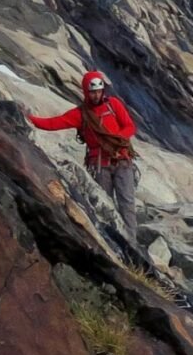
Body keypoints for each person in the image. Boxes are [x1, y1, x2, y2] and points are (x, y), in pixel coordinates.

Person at [29, 69, 139, 233]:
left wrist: (116, 139)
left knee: (127, 204)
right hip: (100, 166)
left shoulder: (114, 104)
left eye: (99, 91)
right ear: (86, 92)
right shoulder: (81, 114)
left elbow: (130, 126)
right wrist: (31, 119)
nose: (96, 95)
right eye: (93, 92)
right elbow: (54, 123)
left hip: (121, 161)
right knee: (105, 208)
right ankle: (114, 240)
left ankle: (132, 243)